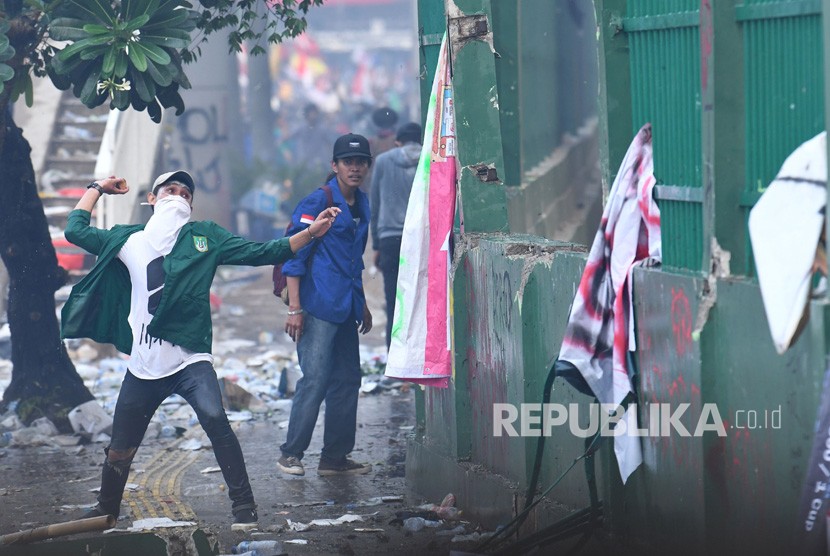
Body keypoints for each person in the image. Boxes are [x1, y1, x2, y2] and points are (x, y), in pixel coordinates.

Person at [60, 171, 340, 530]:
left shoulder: (206, 237)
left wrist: (310, 233)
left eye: (184, 193)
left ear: (191, 204)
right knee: (120, 448)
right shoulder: (126, 240)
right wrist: (97, 189)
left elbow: (264, 251)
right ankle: (105, 508)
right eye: (170, 190)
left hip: (190, 359)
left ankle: (244, 507)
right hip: (144, 365)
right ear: (152, 199)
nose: (177, 195)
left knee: (216, 422)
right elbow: (75, 230)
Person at [277, 133, 374, 477]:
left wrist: (361, 303)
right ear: (334, 166)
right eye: (348, 162)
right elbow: (293, 254)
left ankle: (334, 458)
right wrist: (295, 309)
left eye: (361, 161)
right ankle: (291, 453)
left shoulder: (362, 204)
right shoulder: (316, 201)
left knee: (348, 380)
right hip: (317, 306)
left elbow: (353, 260)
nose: (355, 168)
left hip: (346, 307)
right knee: (315, 379)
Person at [369, 122, 422, 350]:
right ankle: (418, 354)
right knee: (420, 299)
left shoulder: (382, 161)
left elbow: (375, 203)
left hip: (390, 239)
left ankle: (395, 355)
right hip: (420, 239)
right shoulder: (430, 158)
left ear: (398, 141)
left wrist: (377, 244)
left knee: (394, 300)